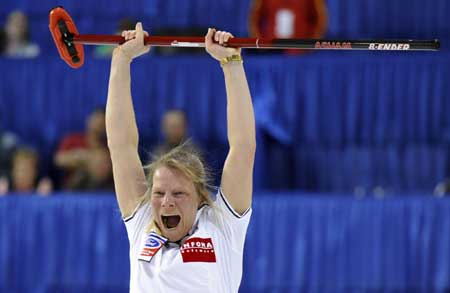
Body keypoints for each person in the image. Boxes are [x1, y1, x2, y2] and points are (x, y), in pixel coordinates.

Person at [106, 23, 256, 292]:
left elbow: (243, 147)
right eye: (159, 193)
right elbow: (121, 147)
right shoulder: (143, 223)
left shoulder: (221, 225)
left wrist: (232, 62)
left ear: (200, 198)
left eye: (178, 194)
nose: (166, 203)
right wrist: (121, 59)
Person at [54, 109, 107, 189]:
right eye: (96, 121)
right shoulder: (73, 140)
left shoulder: (109, 146)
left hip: (101, 189)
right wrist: (85, 158)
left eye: (101, 123)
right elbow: (58, 160)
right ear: (88, 121)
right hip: (72, 189)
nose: (97, 126)